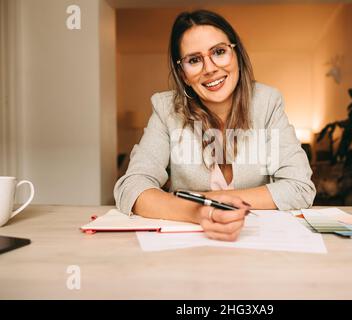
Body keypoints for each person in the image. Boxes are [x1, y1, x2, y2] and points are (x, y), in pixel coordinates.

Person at [114, 10, 316, 241]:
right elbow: (131, 188)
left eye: (219, 52)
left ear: (236, 54)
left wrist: (213, 199)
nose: (209, 68)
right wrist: (200, 212)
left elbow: (300, 187)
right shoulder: (166, 109)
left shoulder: (267, 102)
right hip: (189, 244)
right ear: (183, 73)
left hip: (258, 241)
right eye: (194, 60)